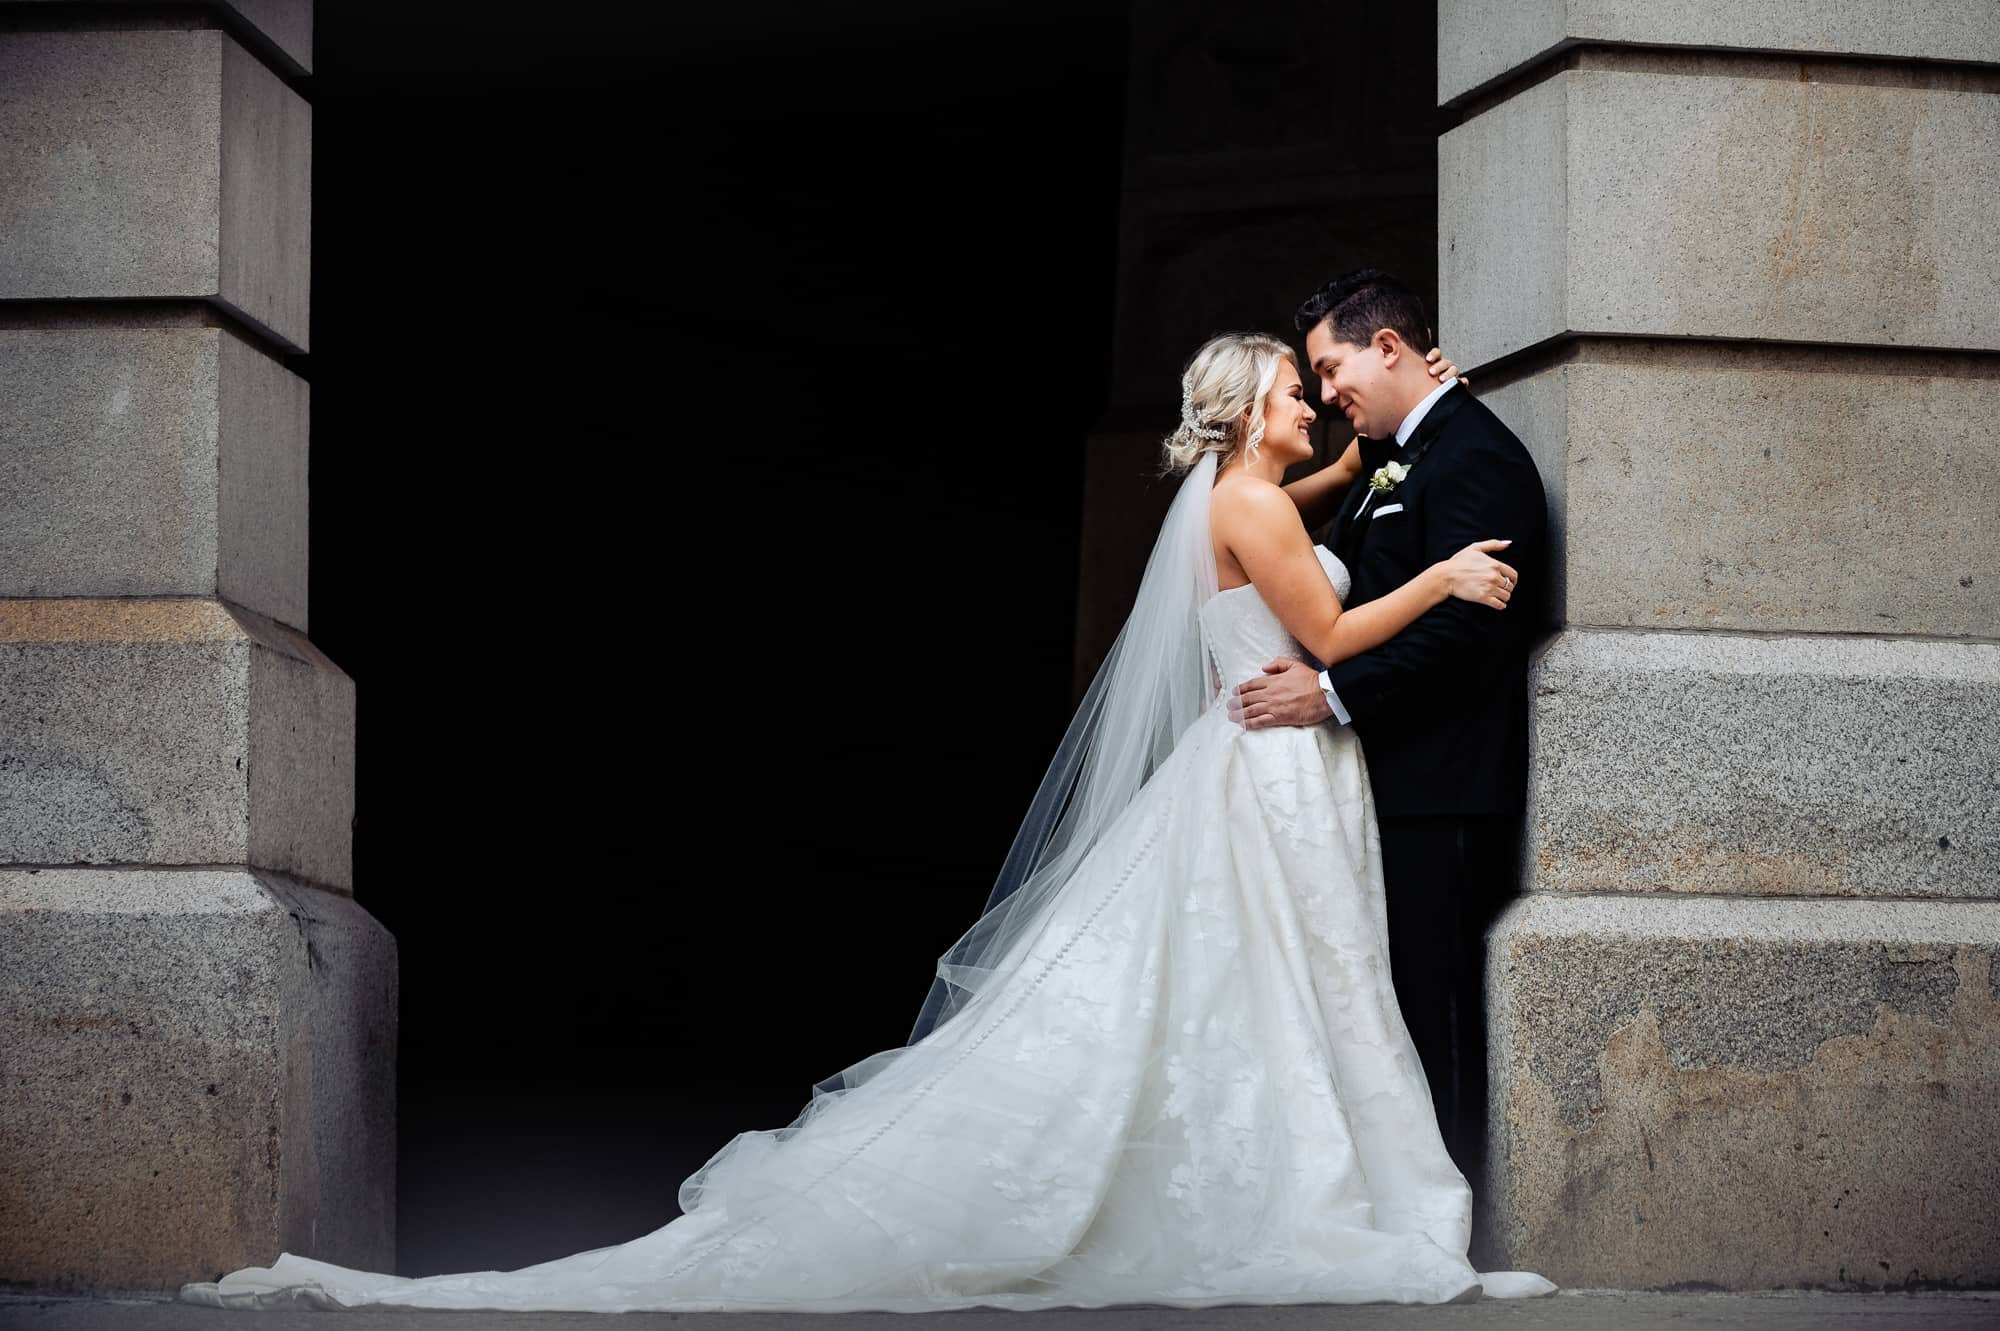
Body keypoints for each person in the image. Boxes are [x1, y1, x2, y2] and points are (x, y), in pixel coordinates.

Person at [180, 332, 1553, 1313]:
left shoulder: (1234, 495)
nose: (1317, 404)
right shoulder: (1256, 500)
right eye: (1300, 393)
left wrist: (1379, 457)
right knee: (1281, 978)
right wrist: (1439, 571)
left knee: (1250, 983)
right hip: (1267, 771)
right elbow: (1326, 627)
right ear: (1257, 410)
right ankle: (1312, 1186)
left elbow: (1290, 512)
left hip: (1246, 769)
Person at [1230, 269, 1549, 1193]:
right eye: (1313, 383)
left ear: (1389, 347)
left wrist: (1330, 694)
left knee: (1434, 1005)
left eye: (1334, 371)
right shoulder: (1391, 458)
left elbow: (1467, 631)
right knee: (1393, 1007)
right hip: (1388, 779)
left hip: (1441, 785)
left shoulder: (1473, 456)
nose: (1329, 396)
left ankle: (1461, 1216)